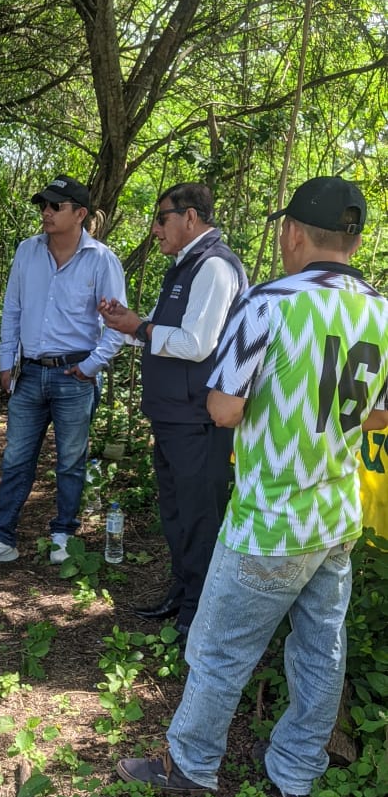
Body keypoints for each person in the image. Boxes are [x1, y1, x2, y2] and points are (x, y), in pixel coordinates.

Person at [116, 176, 388, 797]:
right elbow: (379, 415)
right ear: (352, 241)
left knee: (218, 646)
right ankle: (297, 770)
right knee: (321, 648)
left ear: (292, 234)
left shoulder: (270, 303)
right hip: (335, 517)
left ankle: (191, 764)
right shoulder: (381, 311)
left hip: (271, 516)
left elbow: (222, 409)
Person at [100, 182, 247, 634]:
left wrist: (140, 327)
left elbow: (197, 344)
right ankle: (182, 595)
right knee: (177, 514)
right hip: (173, 416)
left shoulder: (214, 266)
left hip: (198, 419)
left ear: (190, 217)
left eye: (162, 218)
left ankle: (199, 619)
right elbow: (167, 334)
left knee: (200, 518)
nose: (156, 229)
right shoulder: (185, 266)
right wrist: (129, 325)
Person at [0, 175, 126, 567]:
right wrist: (6, 361)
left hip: (75, 375)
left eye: (55, 206)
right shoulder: (28, 251)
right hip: (30, 373)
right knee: (16, 458)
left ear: (80, 214)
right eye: (43, 206)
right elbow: (13, 308)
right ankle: (1, 537)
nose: (46, 212)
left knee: (70, 462)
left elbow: (118, 325)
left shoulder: (101, 259)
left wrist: (90, 367)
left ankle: (63, 535)